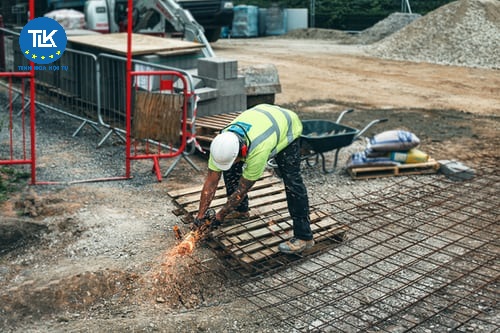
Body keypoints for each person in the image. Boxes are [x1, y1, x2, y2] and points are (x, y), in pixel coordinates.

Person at [193, 104, 314, 254]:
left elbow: (241, 190)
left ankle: (304, 236)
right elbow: (211, 181)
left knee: (292, 181)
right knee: (230, 168)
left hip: (287, 125)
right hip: (263, 117)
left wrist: (219, 216)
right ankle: (240, 211)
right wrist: (200, 215)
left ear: (243, 151)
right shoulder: (222, 143)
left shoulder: (258, 150)